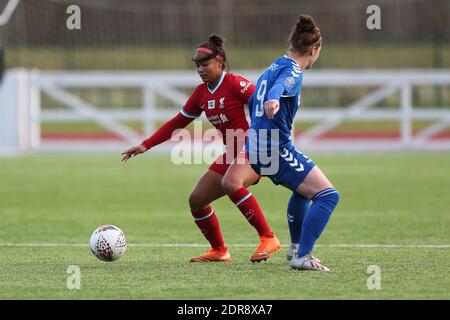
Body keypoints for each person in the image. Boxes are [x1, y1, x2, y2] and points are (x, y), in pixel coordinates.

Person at [121, 35, 280, 263]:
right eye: (197, 65)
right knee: (197, 200)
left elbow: (264, 105)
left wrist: (272, 136)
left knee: (232, 183)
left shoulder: (236, 84)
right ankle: (219, 251)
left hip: (256, 149)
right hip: (233, 153)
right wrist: (145, 145)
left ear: (220, 62)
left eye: (204, 64)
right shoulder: (201, 93)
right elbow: (177, 123)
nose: (200, 69)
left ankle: (268, 237)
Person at [222, 15, 339, 271]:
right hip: (274, 149)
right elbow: (280, 88)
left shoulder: (273, 66)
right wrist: (274, 101)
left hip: (260, 148)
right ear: (314, 49)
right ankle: (302, 256)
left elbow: (255, 100)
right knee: (328, 196)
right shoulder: (293, 70)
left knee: (303, 189)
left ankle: (296, 247)